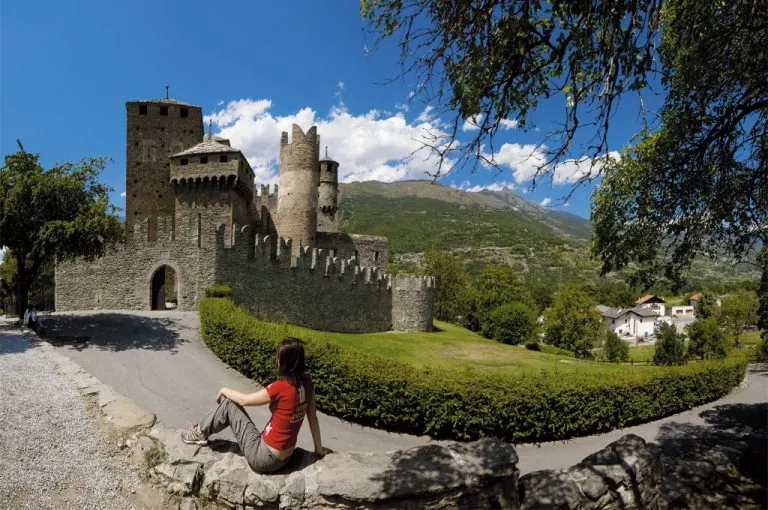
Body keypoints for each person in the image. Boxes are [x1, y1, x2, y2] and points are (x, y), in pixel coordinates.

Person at [181, 337, 331, 473]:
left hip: (264, 459)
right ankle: (201, 430)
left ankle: (199, 432)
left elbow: (244, 400)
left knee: (229, 405)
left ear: (285, 362)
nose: (276, 360)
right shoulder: (308, 383)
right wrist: (318, 449)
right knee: (233, 407)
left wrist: (224, 389)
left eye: (278, 357)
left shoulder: (280, 387)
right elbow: (313, 418)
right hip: (286, 457)